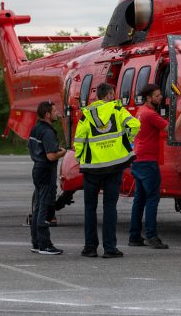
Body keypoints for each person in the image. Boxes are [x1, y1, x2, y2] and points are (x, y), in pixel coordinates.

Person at [74, 83, 140, 258]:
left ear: (97, 97)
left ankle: (90, 248)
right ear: (110, 95)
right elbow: (134, 125)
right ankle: (110, 248)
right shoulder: (117, 110)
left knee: (90, 208)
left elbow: (79, 140)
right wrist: (125, 141)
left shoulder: (86, 115)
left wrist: (80, 157)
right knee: (110, 207)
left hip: (91, 168)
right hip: (114, 165)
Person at [128, 84, 181, 249]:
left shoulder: (141, 111)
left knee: (139, 199)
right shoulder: (150, 114)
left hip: (137, 159)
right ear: (149, 98)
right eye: (157, 95)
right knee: (152, 199)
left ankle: (134, 236)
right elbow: (171, 129)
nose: (160, 97)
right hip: (148, 162)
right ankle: (151, 236)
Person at [28, 101, 67, 255]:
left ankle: (36, 243)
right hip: (46, 170)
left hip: (37, 169)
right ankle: (45, 244)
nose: (57, 113)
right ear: (47, 114)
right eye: (55, 111)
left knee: (38, 207)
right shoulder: (48, 132)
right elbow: (51, 156)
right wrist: (63, 152)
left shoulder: (35, 129)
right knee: (45, 207)